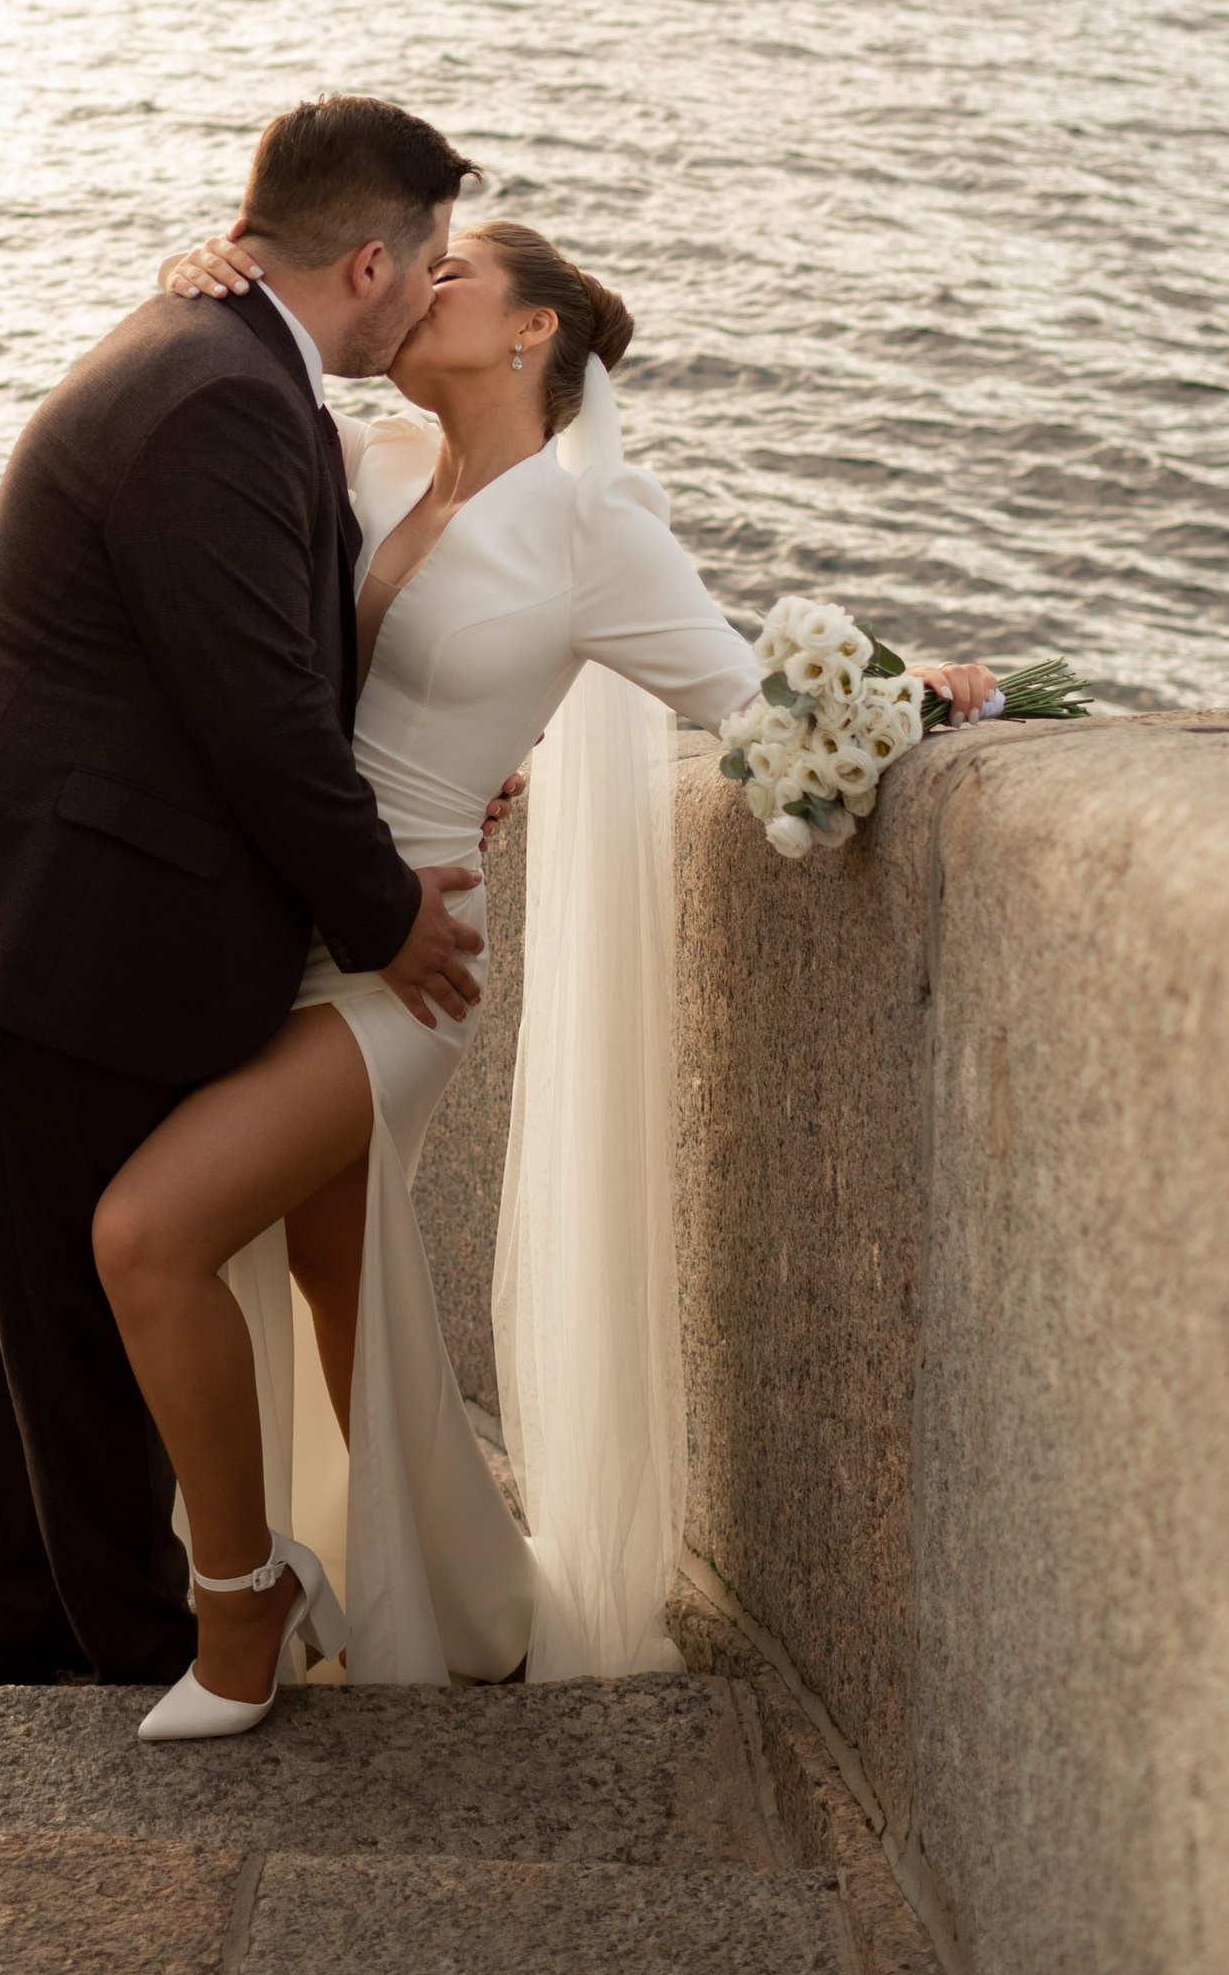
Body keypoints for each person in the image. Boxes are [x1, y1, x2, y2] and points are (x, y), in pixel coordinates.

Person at [92, 213, 995, 1733]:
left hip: (405, 973)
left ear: (532, 336)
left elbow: (750, 715)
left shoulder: (594, 533)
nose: (415, 285)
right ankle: (457, 1600)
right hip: (282, 929)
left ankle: (242, 1613)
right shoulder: (369, 461)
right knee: (339, 1296)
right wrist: (197, 266)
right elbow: (230, 400)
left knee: (150, 1235)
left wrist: (922, 697)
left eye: (453, 276)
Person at [0, 95, 494, 1691]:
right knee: (69, 1316)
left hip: (21, 900)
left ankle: (35, 1638)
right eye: (422, 270)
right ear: (365, 259)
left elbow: (267, 668)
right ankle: (135, 1648)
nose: (428, 299)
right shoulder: (217, 391)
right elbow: (256, 712)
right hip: (45, 926)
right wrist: (381, 912)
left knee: (32, 1295)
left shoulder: (215, 351)